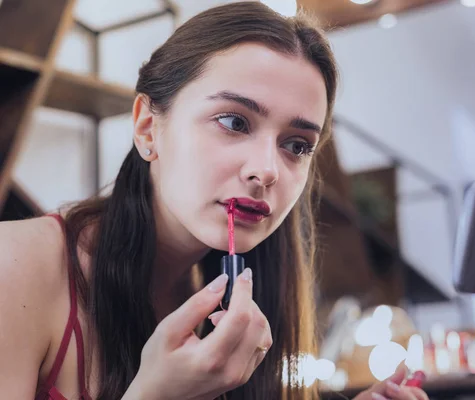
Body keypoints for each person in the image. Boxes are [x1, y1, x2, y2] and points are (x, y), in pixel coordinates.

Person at [0, 2, 429, 400]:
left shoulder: (245, 298)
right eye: (233, 121)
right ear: (148, 128)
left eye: (297, 146)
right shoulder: (15, 265)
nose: (267, 170)